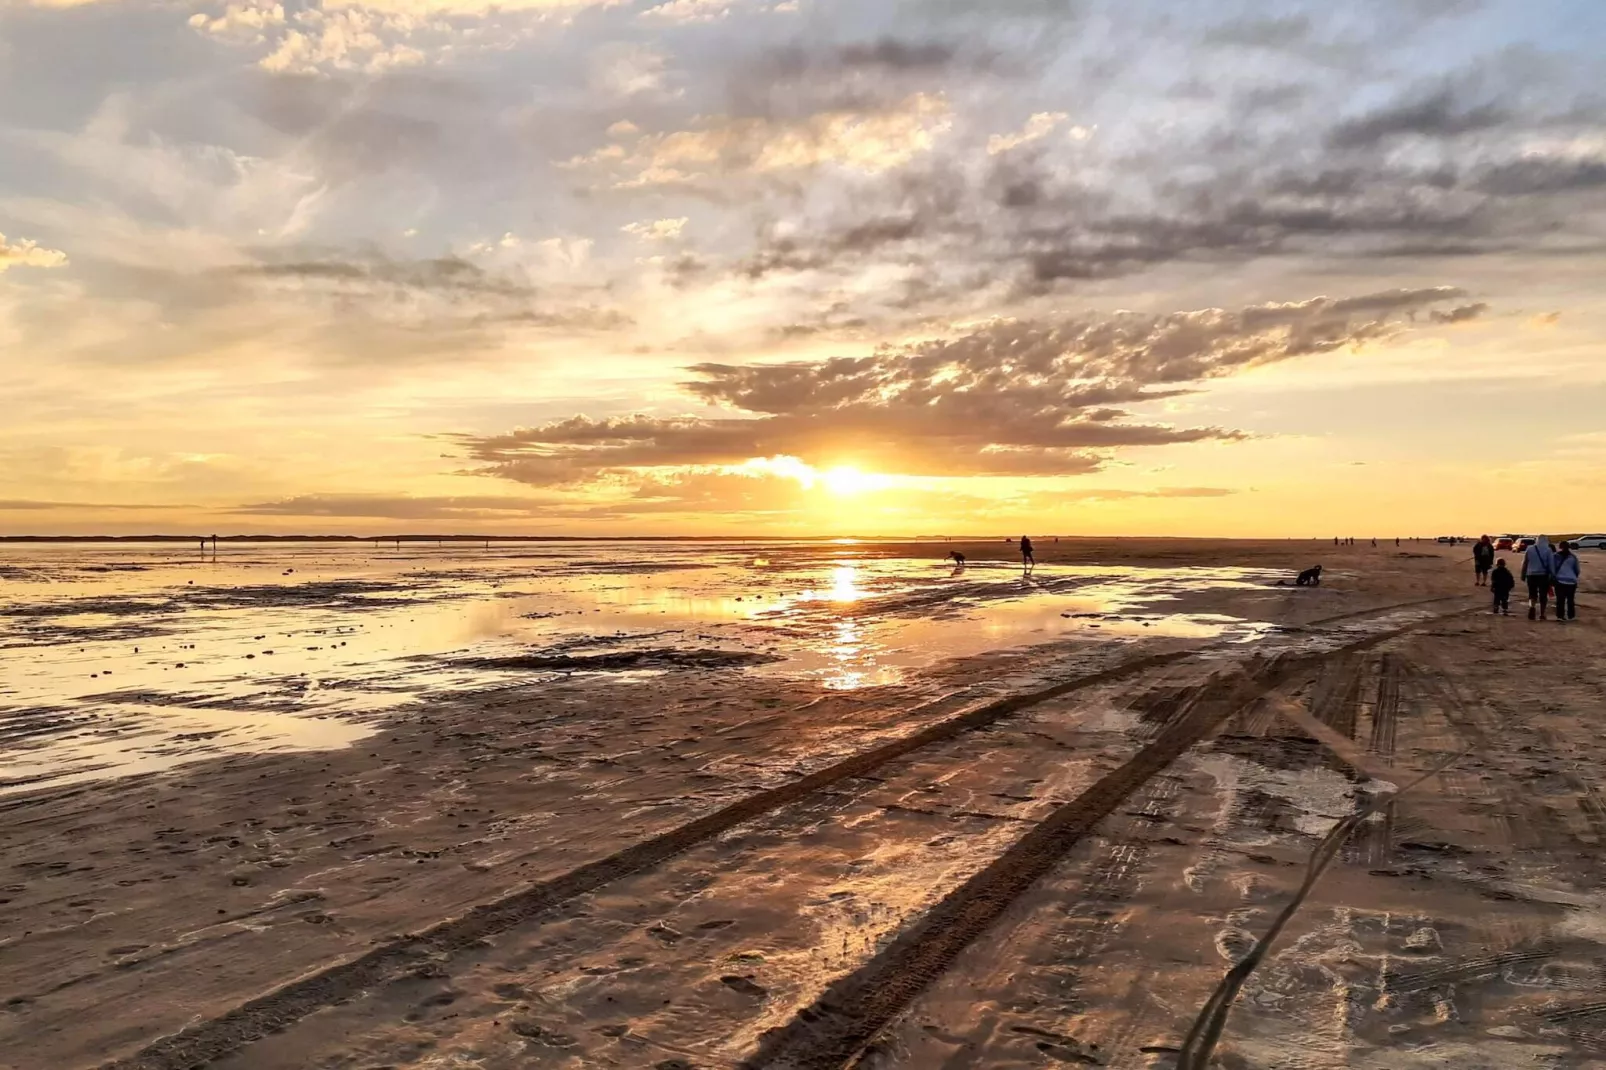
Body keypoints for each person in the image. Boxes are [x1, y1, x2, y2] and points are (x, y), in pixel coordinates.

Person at [1522, 535, 1556, 620]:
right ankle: (1542, 613)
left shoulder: (1529, 549)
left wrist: (1523, 573)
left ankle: (1532, 607)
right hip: (1543, 575)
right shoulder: (1548, 550)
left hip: (1531, 575)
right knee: (1543, 595)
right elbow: (1551, 564)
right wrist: (1553, 575)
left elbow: (1525, 562)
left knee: (1532, 594)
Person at [1553, 541, 1581, 622]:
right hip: (1571, 581)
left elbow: (1552, 568)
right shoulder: (1573, 557)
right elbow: (1577, 570)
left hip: (1559, 580)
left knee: (1560, 600)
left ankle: (1560, 616)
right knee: (1570, 600)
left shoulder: (1555, 556)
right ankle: (1571, 616)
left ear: (1560, 547)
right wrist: (1574, 576)